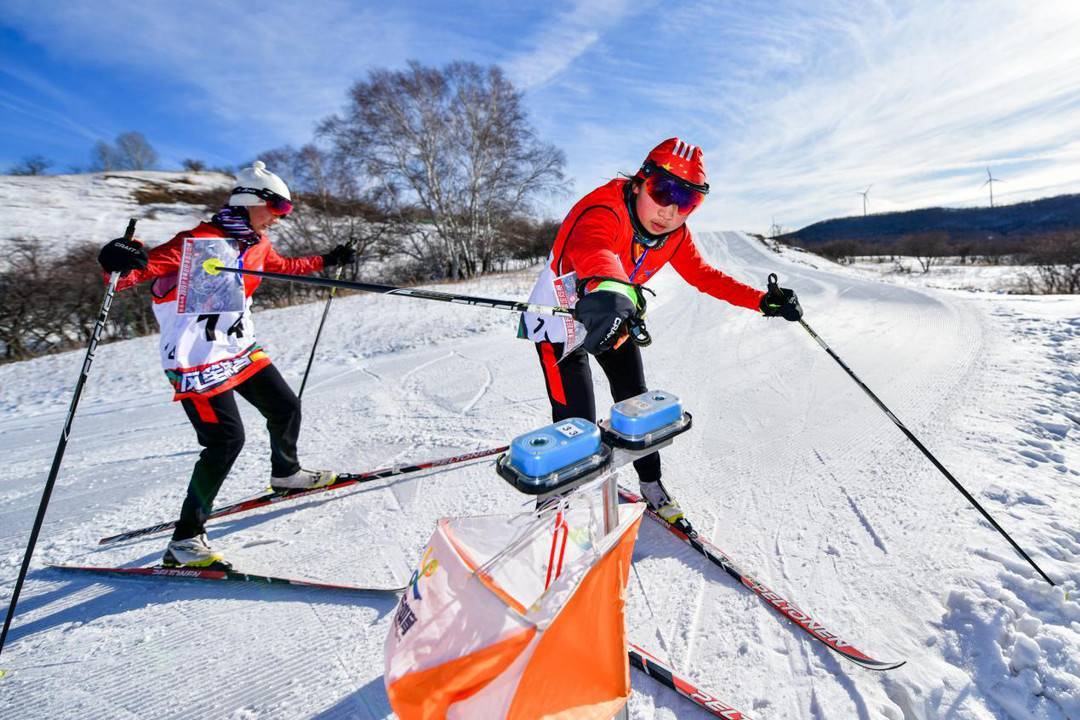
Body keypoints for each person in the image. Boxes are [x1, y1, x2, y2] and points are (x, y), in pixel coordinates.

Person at [519, 138, 802, 532]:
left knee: (638, 404)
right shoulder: (602, 209)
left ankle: (652, 486)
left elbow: (703, 276)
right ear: (639, 181)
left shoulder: (675, 235)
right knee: (575, 423)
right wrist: (611, 287)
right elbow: (593, 248)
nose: (669, 211)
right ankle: (555, 506)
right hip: (561, 322)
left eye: (686, 202)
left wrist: (761, 301)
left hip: (614, 313)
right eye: (662, 191)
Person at [97, 161, 357, 569]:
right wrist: (118, 259)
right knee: (224, 442)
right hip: (196, 360)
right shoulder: (196, 241)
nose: (279, 217)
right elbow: (130, 276)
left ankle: (286, 474)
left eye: (285, 211)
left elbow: (282, 266)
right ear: (250, 201)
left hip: (238, 348)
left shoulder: (257, 244)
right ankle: (184, 541)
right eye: (278, 208)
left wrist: (327, 260)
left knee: (285, 406)